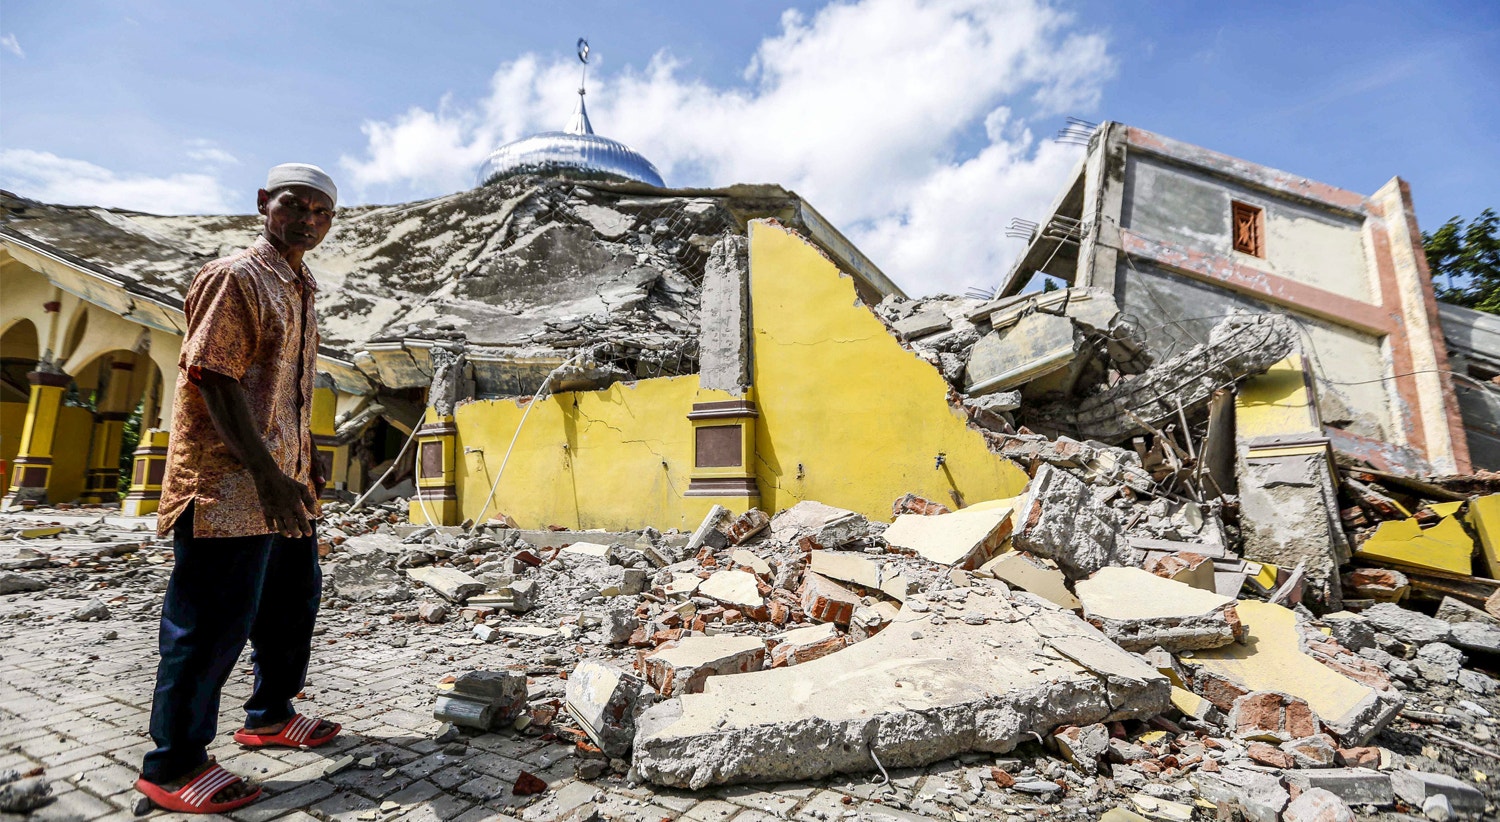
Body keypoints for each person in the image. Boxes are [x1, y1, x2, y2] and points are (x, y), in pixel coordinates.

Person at [134, 163, 343, 814]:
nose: (309, 218)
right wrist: (268, 475)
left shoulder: (301, 286)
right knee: (209, 626)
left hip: (283, 487)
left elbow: (284, 394)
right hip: (229, 487)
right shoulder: (237, 277)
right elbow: (214, 378)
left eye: (322, 211)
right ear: (263, 204)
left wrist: (301, 468)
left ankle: (271, 715)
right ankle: (173, 765)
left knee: (290, 604)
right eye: (296, 204)